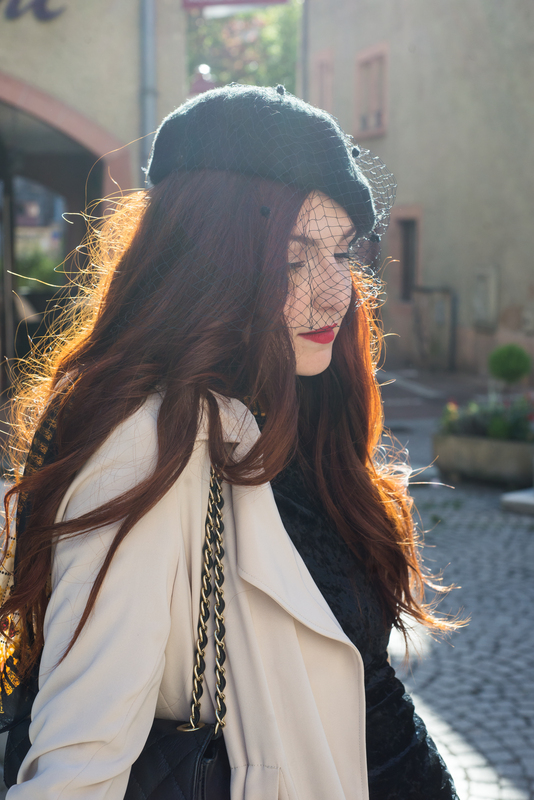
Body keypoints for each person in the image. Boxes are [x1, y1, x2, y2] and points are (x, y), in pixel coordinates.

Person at [0, 84, 459, 799]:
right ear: (206, 265)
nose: (337, 294)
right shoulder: (151, 443)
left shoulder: (299, 406)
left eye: (343, 254)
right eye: (293, 261)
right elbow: (77, 762)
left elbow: (368, 690)